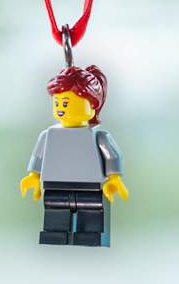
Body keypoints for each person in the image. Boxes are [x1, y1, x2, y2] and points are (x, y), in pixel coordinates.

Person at [20, 65, 128, 247]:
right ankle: (55, 232)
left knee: (90, 212)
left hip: (90, 188)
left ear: (92, 104)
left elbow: (112, 155)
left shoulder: (98, 135)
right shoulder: (48, 135)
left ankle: (90, 234)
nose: (60, 108)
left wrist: (114, 179)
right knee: (55, 211)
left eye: (65, 103)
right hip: (55, 186)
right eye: (57, 103)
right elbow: (38, 156)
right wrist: (33, 177)